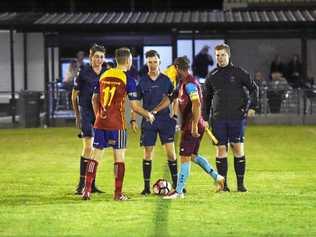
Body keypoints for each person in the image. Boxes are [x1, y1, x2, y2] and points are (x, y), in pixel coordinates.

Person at [81, 47, 155, 201]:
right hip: (117, 124)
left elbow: (94, 99)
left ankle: (86, 190)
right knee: (119, 158)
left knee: (94, 157)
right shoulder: (128, 79)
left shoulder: (103, 75)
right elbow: (134, 106)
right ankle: (117, 193)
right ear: (128, 61)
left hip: (100, 122)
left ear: (116, 60)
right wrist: (147, 114)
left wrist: (97, 116)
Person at [153, 56, 224, 199]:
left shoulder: (190, 84)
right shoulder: (182, 83)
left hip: (193, 125)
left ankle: (178, 191)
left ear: (178, 68)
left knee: (184, 157)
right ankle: (217, 177)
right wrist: (156, 110)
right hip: (195, 124)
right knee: (192, 156)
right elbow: (170, 98)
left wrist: (194, 125)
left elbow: (196, 104)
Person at [203, 44, 258, 192]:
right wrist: (205, 118)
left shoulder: (239, 72)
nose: (220, 58)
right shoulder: (212, 76)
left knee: (238, 149)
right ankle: (223, 185)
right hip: (218, 119)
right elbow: (206, 99)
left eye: (223, 55)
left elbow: (254, 89)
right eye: (218, 56)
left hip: (236, 118)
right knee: (221, 151)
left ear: (228, 55)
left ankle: (240, 185)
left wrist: (252, 107)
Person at [131, 50, 179, 195]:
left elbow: (175, 98)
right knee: (147, 153)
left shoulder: (166, 80)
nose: (152, 64)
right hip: (148, 121)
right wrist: (133, 119)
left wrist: (175, 115)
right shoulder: (142, 82)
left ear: (159, 62)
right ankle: (146, 187)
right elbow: (136, 103)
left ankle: (178, 185)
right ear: (147, 63)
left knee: (171, 154)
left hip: (165, 120)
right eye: (150, 62)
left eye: (155, 61)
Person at [71, 44, 107, 195]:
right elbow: (74, 95)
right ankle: (81, 184)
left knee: (97, 149)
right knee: (88, 147)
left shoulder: (107, 72)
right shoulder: (83, 72)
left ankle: (91, 184)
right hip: (86, 113)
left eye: (101, 57)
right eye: (96, 56)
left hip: (100, 114)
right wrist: (77, 115)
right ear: (90, 56)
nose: (99, 59)